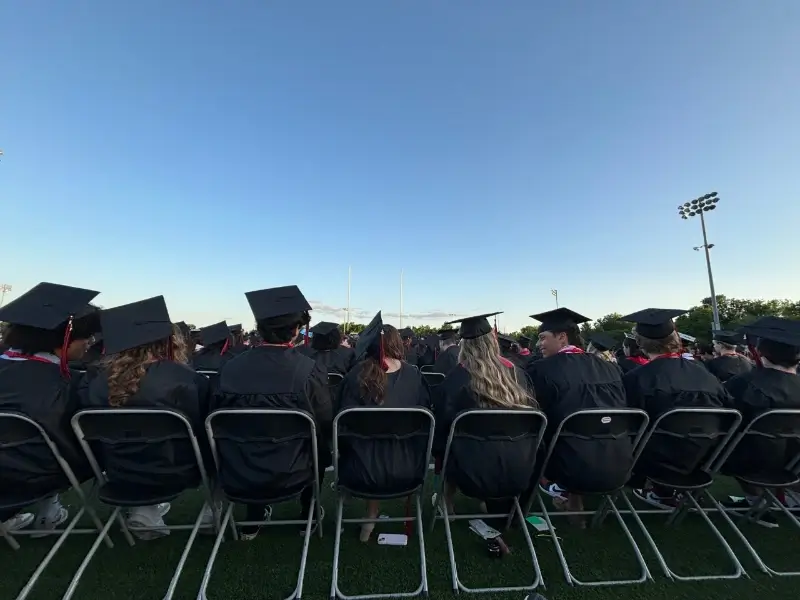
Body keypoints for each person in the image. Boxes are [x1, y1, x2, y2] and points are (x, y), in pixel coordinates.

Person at [79, 295, 213, 539]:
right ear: (169, 340)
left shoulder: (97, 382)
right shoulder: (185, 379)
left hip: (118, 472)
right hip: (178, 472)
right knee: (217, 438)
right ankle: (214, 511)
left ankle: (145, 509)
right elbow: (203, 430)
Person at [212, 285, 332, 540]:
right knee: (317, 442)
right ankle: (308, 513)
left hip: (239, 470)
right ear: (295, 330)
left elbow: (216, 420)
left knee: (247, 436)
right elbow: (323, 420)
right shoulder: (308, 369)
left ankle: (253, 517)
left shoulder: (230, 368)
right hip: (294, 470)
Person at [0, 282, 101, 534]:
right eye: (85, 336)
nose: (89, 342)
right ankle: (48, 510)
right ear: (63, 337)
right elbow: (71, 446)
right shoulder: (67, 384)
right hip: (31, 475)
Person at [525, 308, 631, 526]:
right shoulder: (610, 368)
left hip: (564, 465)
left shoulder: (542, 370)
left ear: (562, 337)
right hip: (618, 460)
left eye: (543, 338)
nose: (538, 344)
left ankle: (558, 495)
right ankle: (572, 499)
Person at [620, 308, 731, 509]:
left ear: (639, 342)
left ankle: (659, 491)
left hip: (655, 461)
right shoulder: (705, 374)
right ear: (676, 337)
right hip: (705, 457)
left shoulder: (636, 379)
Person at [335, 313, 430, 541]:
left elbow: (340, 424)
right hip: (408, 470)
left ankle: (370, 516)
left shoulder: (355, 376)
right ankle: (371, 514)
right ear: (397, 344)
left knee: (368, 444)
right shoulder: (414, 376)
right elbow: (425, 425)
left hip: (358, 472)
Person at [434, 312, 536, 515]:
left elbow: (442, 432)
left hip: (470, 473)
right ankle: (487, 502)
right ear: (493, 341)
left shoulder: (457, 379)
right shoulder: (519, 375)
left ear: (464, 344)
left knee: (450, 443)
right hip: (519, 468)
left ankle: (446, 501)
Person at [720, 317, 800, 525]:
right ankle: (794, 499)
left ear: (761, 352)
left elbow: (725, 421)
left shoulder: (742, 384)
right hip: (795, 458)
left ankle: (755, 500)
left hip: (751, 460)